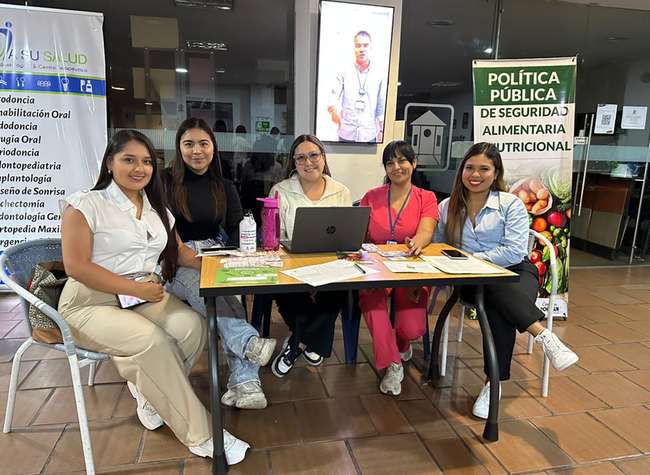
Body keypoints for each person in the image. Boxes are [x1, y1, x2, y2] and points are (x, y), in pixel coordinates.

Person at [58, 130, 249, 463]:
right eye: (128, 159)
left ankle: (150, 395)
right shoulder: (86, 204)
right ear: (109, 162)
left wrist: (227, 262)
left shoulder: (155, 208)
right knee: (152, 341)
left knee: (193, 327)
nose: (139, 169)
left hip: (143, 296)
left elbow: (179, 253)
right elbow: (76, 267)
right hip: (91, 301)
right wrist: (135, 288)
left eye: (146, 161)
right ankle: (203, 435)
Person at [435, 142, 579, 419]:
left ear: (495, 172)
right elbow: (440, 246)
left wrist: (473, 258)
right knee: (493, 290)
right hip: (471, 278)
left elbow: (515, 251)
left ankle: (494, 383)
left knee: (498, 301)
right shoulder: (447, 206)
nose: (475, 175)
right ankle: (541, 337)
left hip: (516, 272)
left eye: (484, 169)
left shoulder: (509, 203)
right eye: (469, 168)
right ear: (461, 171)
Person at [162, 117, 276, 410]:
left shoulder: (224, 185)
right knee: (212, 291)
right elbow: (162, 234)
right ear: (179, 147)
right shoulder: (163, 181)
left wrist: (247, 253)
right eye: (188, 144)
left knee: (229, 296)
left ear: (213, 147)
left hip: (217, 254)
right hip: (178, 260)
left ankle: (244, 381)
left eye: (203, 143)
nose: (196, 151)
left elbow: (238, 228)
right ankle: (248, 351)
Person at [359, 140, 439, 396]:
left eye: (402, 160)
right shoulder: (371, 197)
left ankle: (402, 343)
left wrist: (417, 242)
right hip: (375, 267)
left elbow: (427, 230)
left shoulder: (426, 197)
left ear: (413, 163)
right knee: (372, 303)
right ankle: (393, 364)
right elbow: (359, 233)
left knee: (411, 328)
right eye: (390, 162)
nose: (396, 167)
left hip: (410, 266)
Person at [268, 134, 352, 377]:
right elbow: (276, 240)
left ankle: (296, 346)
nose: (308, 162)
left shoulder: (341, 191)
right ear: (293, 163)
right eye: (301, 158)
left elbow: (345, 236)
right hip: (291, 266)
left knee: (337, 291)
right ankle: (316, 344)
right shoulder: (280, 191)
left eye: (313, 155)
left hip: (332, 267)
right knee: (292, 295)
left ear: (323, 158)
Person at [327, 30, 386, 143]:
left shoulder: (379, 74)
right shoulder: (344, 71)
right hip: (346, 133)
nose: (362, 49)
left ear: (371, 47)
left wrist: (382, 131)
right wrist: (333, 111)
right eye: (358, 45)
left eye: (365, 45)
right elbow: (333, 95)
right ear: (354, 48)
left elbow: (381, 104)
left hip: (369, 134)